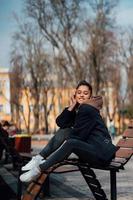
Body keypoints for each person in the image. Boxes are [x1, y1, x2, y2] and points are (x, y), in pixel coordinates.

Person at [20, 81, 117, 182]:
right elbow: (60, 123)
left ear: (90, 96)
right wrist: (71, 106)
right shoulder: (79, 109)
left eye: (85, 93)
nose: (81, 95)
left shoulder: (87, 109)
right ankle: (39, 158)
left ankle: (38, 169)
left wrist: (63, 151)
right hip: (94, 150)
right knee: (66, 131)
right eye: (79, 92)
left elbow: (78, 136)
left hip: (101, 154)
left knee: (71, 142)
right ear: (75, 94)